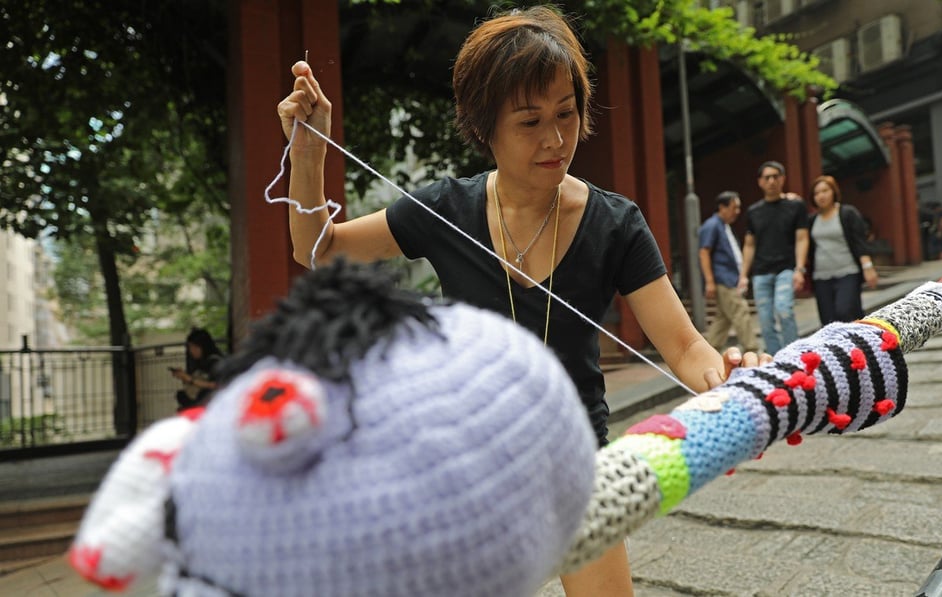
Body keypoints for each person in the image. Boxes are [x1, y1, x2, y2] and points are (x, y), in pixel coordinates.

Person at [277, 6, 761, 596]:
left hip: (574, 463)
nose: (556, 140)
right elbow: (318, 249)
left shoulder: (616, 224)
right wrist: (308, 157)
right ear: (485, 128)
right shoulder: (445, 208)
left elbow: (685, 346)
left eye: (566, 113)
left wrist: (731, 379)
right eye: (530, 122)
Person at [740, 161, 809, 355]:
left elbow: (802, 238)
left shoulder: (795, 206)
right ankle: (776, 360)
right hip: (761, 272)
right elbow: (749, 244)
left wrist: (800, 269)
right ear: (760, 182)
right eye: (767, 177)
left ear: (783, 179)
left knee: (784, 310)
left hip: (786, 269)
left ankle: (794, 356)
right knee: (765, 320)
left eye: (775, 177)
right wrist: (744, 275)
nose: (771, 181)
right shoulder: (754, 211)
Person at [807, 175, 878, 324]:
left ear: (833, 192)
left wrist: (868, 267)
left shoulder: (847, 213)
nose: (821, 196)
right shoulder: (812, 220)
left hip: (847, 272)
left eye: (825, 191)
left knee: (845, 310)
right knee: (827, 320)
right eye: (816, 193)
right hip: (821, 276)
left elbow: (859, 242)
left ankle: (858, 343)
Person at [698, 191, 758, 352]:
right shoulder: (712, 225)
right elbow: (704, 252)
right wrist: (710, 281)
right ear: (722, 208)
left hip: (728, 278)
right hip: (723, 279)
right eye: (734, 207)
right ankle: (751, 349)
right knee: (740, 311)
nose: (737, 211)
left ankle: (708, 351)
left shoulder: (723, 226)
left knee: (723, 319)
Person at [169, 327, 223, 411]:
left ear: (203, 346)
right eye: (190, 347)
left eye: (194, 347)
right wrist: (184, 377)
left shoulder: (215, 362)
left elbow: (217, 385)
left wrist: (190, 379)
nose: (192, 351)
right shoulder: (200, 362)